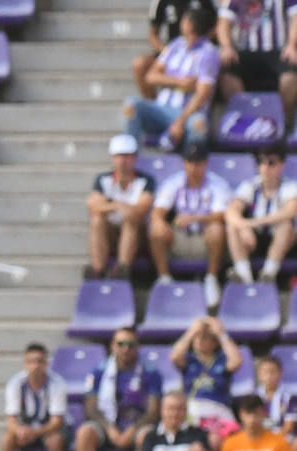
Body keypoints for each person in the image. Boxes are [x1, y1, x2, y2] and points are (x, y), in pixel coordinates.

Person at [123, 5, 219, 149]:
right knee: (131, 105)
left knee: (199, 124)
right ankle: (128, 154)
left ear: (190, 25)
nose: (181, 22)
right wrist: (179, 82)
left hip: (188, 113)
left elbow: (202, 94)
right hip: (162, 109)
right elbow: (151, 77)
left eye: (185, 20)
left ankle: (191, 164)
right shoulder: (176, 45)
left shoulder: (209, 53)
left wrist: (180, 122)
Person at [150, 139, 229, 308]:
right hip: (180, 238)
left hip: (205, 239)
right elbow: (157, 212)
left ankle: (211, 278)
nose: (194, 167)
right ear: (184, 163)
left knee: (216, 229)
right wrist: (162, 223)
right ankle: (164, 278)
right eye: (190, 162)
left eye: (198, 162)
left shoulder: (217, 184)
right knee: (156, 228)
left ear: (205, 163)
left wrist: (194, 218)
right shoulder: (174, 182)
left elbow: (220, 216)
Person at [76, 326, 163, 451]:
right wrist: (110, 429)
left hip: (137, 425)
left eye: (130, 345)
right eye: (120, 344)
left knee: (147, 435)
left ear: (138, 347)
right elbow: (90, 409)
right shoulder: (99, 372)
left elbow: (153, 412)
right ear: (112, 346)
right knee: (84, 433)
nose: (125, 349)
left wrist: (132, 430)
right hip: (107, 425)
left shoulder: (151, 373)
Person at [86, 134, 155, 280]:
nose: (123, 161)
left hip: (138, 235)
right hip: (111, 232)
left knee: (131, 220)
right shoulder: (103, 179)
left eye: (127, 156)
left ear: (135, 158)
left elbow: (139, 210)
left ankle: (122, 269)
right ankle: (97, 270)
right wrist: (119, 205)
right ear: (113, 158)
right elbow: (93, 205)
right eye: (119, 156)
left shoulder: (145, 180)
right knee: (97, 220)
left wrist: (109, 204)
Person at [225, 145, 297, 283]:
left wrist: (257, 222)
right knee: (233, 227)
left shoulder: (290, 186)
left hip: (282, 242)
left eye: (271, 163)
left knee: (286, 225)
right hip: (254, 240)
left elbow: (291, 211)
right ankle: (244, 276)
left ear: (281, 165)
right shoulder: (250, 185)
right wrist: (244, 225)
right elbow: (232, 211)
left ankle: (269, 273)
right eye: (262, 162)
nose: (266, 167)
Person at [216, 0, 297, 121]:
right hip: (245, 51)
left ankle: (281, 121)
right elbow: (223, 23)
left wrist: (292, 45)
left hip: (278, 51)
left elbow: (295, 19)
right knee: (228, 71)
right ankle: (242, 118)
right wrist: (227, 47)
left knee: (290, 77)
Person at [172, 314, 243, 443]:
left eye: (205, 338)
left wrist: (221, 333)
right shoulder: (189, 360)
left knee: (224, 439)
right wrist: (191, 331)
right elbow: (174, 357)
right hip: (193, 410)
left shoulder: (222, 360)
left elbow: (237, 361)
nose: (199, 341)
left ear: (215, 342)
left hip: (218, 410)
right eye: (197, 337)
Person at [1, 342, 68, 451]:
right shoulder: (15, 383)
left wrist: (35, 432)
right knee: (6, 440)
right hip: (27, 429)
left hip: (48, 430)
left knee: (55, 441)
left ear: (46, 363)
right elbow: (10, 421)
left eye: (39, 361)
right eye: (31, 362)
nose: (35, 366)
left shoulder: (57, 383)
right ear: (25, 363)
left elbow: (56, 423)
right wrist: (20, 431)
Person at [133, 0, 216, 99]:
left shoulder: (205, 3)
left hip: (198, 49)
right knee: (140, 64)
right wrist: (166, 52)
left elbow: (216, 24)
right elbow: (152, 35)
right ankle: (153, 105)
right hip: (173, 49)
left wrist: (200, 43)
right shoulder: (161, 2)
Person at [135, 389, 212, 451]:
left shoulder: (198, 433)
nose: (175, 414)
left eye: (179, 409)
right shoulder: (151, 435)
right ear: (162, 410)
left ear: (186, 411)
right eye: (171, 408)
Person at [218, 393, 292, 451]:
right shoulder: (230, 443)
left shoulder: (279, 441)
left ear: (264, 413)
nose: (252, 418)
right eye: (248, 413)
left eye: (256, 413)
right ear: (241, 414)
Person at [255, 353, 291, 428]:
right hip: (260, 436)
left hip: (281, 436)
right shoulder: (254, 396)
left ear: (281, 373)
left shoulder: (289, 397)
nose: (269, 376)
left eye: (272, 372)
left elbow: (289, 426)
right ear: (259, 375)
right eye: (265, 372)